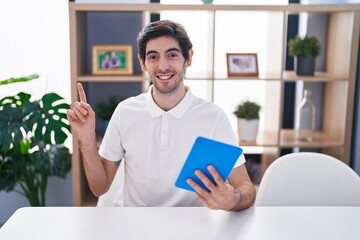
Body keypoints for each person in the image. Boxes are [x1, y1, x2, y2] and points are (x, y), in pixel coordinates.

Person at [67, 20, 256, 211]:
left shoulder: (213, 117)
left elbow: (246, 188)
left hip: (191, 225)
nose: (163, 66)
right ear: (143, 63)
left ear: (188, 58)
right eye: (153, 57)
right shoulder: (125, 111)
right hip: (134, 223)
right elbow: (99, 188)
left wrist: (234, 200)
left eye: (172, 55)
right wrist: (87, 138)